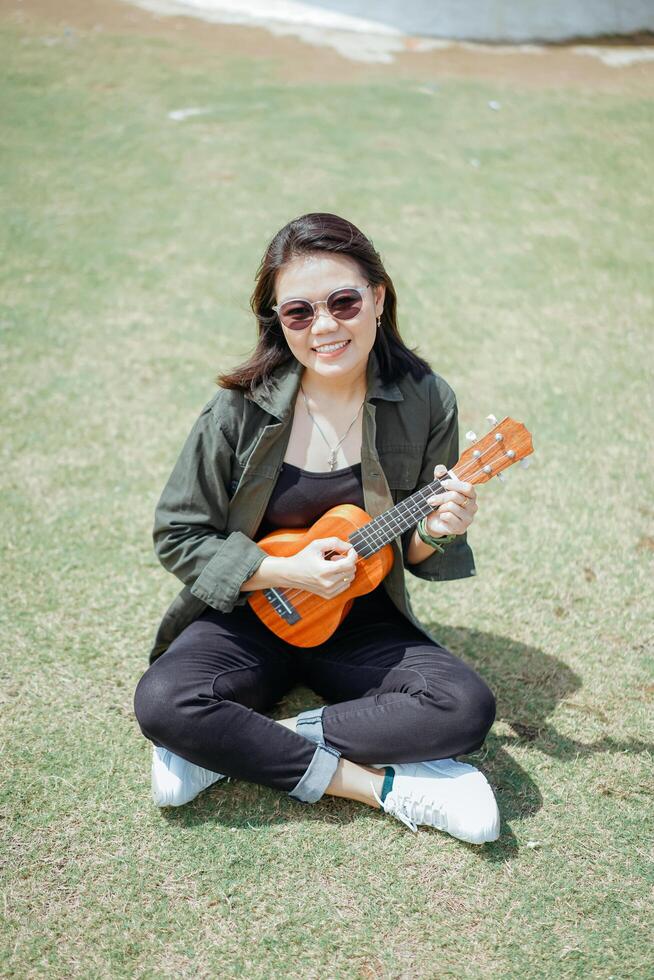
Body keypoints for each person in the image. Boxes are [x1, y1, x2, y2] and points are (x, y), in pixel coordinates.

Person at [133, 212, 500, 844]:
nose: (325, 327)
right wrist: (283, 570)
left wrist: (440, 528)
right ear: (278, 319)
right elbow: (179, 533)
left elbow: (417, 555)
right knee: (164, 701)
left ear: (378, 300)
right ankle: (384, 787)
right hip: (251, 610)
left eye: (343, 302)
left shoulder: (425, 400)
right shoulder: (236, 410)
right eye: (299, 312)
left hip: (360, 618)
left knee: (466, 707)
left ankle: (230, 745)